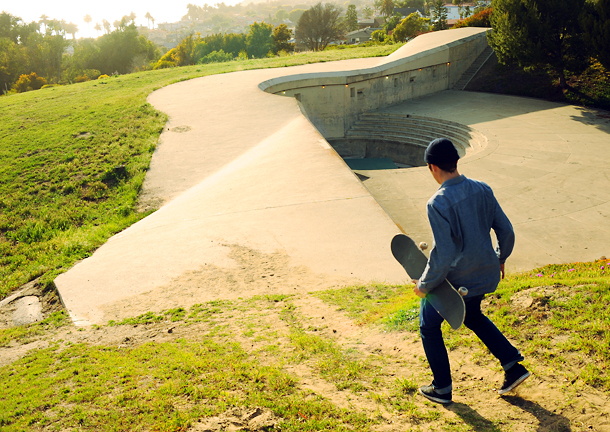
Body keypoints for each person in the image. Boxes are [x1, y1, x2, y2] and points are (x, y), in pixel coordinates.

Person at [412, 138, 529, 405]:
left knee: (428, 327)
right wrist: (501, 257)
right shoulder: (482, 189)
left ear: (432, 167)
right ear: (455, 161)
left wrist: (425, 284)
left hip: (455, 282)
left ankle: (442, 388)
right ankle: (513, 366)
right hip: (484, 273)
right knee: (473, 315)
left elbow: (443, 254)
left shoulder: (437, 203)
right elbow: (506, 231)